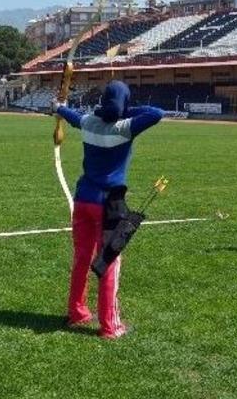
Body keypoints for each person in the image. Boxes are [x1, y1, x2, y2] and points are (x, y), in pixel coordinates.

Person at [52, 80, 164, 338]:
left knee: (81, 257)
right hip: (109, 205)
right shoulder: (125, 127)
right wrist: (126, 110)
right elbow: (157, 113)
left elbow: (72, 116)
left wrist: (58, 107)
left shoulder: (90, 122)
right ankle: (110, 326)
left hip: (83, 201)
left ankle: (77, 312)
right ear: (123, 103)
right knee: (109, 262)